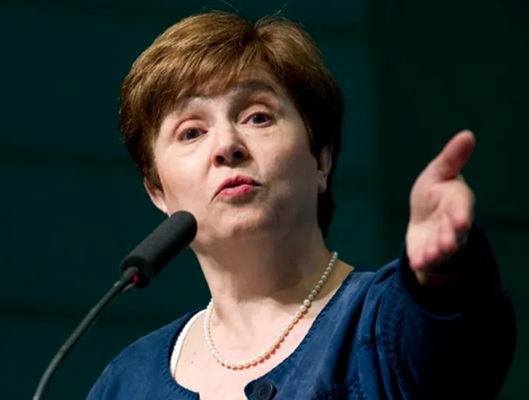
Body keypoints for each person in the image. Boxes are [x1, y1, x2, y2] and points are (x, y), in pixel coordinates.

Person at [87, 11, 516, 400]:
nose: (227, 145)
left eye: (258, 116)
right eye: (191, 132)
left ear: (321, 159)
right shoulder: (125, 382)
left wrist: (442, 274)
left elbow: (459, 346)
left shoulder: (385, 322)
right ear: (157, 191)